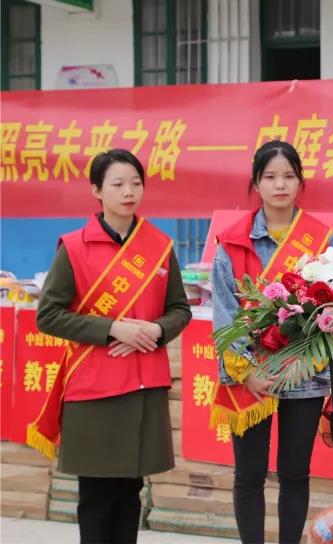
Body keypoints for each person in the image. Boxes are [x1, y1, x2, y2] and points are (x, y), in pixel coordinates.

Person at [31, 149, 191, 544]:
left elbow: (180, 309)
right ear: (97, 191)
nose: (129, 191)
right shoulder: (74, 247)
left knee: (129, 491)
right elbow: (48, 315)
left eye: (136, 183)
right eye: (118, 184)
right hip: (93, 388)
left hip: (142, 386)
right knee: (96, 495)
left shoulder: (159, 246)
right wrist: (112, 329)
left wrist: (156, 329)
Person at [210, 140, 333, 544]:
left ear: (300, 182)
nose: (280, 185)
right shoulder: (232, 242)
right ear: (256, 183)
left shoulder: (323, 241)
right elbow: (225, 316)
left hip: (305, 374)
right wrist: (246, 372)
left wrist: (304, 362)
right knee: (249, 475)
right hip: (251, 376)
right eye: (270, 177)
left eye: (288, 176)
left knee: (295, 474)